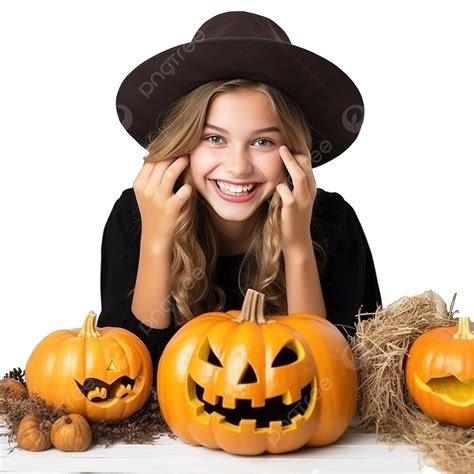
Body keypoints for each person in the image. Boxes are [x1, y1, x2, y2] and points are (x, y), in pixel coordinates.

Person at [97, 11, 382, 382]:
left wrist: (297, 246)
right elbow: (129, 378)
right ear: (182, 145)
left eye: (263, 142)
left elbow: (329, 379)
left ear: (294, 153)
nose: (237, 167)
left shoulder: (334, 221)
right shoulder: (135, 214)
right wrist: (156, 242)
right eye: (214, 138)